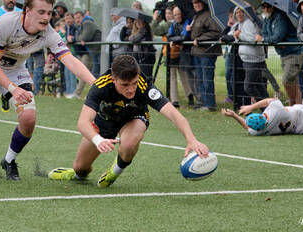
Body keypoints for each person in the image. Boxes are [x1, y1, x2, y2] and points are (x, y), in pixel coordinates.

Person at [48, 54, 209, 187]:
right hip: (105, 121)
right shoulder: (100, 86)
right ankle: (75, 173)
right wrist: (97, 140)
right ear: (113, 79)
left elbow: (174, 114)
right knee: (81, 169)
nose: (131, 89)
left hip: (134, 118)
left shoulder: (144, 86)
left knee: (130, 142)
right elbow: (83, 122)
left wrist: (191, 139)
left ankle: (114, 172)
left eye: (133, 83)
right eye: (125, 84)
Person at [0, 0, 95, 181]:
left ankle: (8, 160)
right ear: (27, 11)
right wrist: (12, 90)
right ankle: (3, 94)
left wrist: (97, 83)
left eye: (49, 13)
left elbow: (70, 60)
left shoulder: (49, 33)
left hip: (16, 71)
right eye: (41, 12)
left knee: (29, 118)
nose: (46, 17)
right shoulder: (5, 23)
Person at [255, 3, 303, 105]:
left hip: (294, 52)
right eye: (263, 7)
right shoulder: (267, 19)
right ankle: (299, 108)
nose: (265, 9)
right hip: (284, 54)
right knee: (294, 83)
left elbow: (277, 37)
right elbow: (265, 33)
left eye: (268, 6)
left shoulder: (280, 17)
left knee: (286, 80)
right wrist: (272, 40)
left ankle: (292, 105)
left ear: (273, 6)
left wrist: (264, 39)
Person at [187, 0, 222, 111]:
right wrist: (189, 30)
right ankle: (204, 103)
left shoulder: (208, 16)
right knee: (200, 80)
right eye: (194, 3)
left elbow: (216, 32)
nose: (196, 4)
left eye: (198, 2)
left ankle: (210, 105)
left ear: (203, 3)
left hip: (207, 53)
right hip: (197, 52)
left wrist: (200, 39)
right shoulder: (196, 16)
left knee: (207, 80)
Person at [0, 0, 22, 112]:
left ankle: (6, 95)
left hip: (15, 55)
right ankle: (4, 95)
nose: (11, 0)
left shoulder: (21, 13)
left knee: (10, 82)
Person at [221, 98, 303, 135]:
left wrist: (234, 116)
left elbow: (246, 126)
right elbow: (270, 100)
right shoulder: (276, 110)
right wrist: (251, 107)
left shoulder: (259, 132)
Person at [233, 7, 269, 103]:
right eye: (237, 13)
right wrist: (237, 36)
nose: (239, 14)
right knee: (259, 86)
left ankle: (264, 106)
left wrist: (239, 35)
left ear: (246, 13)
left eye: (241, 12)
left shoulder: (249, 23)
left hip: (254, 60)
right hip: (247, 60)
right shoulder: (240, 24)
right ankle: (269, 107)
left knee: (248, 87)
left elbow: (254, 39)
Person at [167, 6, 194, 108]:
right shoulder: (173, 24)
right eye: (175, 15)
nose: (177, 16)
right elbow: (169, 36)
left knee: (184, 75)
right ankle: (174, 100)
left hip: (183, 54)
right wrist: (176, 40)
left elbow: (185, 36)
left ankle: (190, 96)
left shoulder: (187, 21)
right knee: (173, 76)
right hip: (173, 54)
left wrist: (175, 40)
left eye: (179, 14)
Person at [129, 16, 156, 83]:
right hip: (139, 57)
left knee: (145, 78)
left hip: (146, 57)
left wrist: (131, 38)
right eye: (137, 21)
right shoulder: (137, 31)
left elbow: (134, 39)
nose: (138, 23)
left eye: (140, 21)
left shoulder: (144, 30)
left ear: (144, 22)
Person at [71, 11, 92, 99]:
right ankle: (79, 93)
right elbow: (76, 38)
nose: (77, 20)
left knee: (84, 74)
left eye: (78, 18)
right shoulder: (76, 27)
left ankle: (78, 93)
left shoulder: (87, 24)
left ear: (83, 17)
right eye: (75, 18)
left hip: (88, 53)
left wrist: (76, 39)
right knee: (81, 74)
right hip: (80, 54)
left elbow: (84, 37)